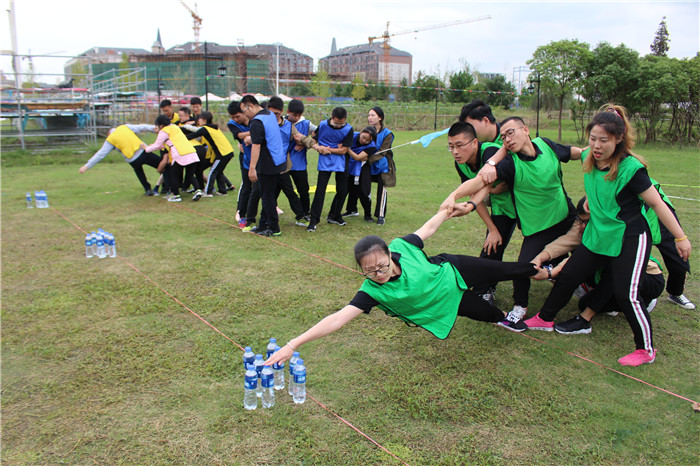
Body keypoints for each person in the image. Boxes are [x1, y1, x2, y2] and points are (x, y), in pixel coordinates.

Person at [264, 204, 547, 367]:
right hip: (445, 301)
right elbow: (337, 319)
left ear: (389, 254)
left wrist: (448, 210)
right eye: (370, 271)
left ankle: (544, 270)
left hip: (452, 269)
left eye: (382, 266)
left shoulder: (402, 245)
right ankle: (503, 318)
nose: (379, 273)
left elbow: (429, 228)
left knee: (506, 269)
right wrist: (293, 343)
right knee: (487, 314)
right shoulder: (371, 291)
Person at [524, 104, 691, 366]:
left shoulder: (631, 169)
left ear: (619, 139)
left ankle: (645, 350)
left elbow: (657, 204)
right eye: (593, 139)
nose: (597, 145)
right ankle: (544, 318)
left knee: (627, 294)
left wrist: (680, 238)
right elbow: (579, 167)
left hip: (630, 237)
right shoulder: (588, 156)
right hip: (599, 233)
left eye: (604, 140)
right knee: (569, 275)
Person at [442, 117, 583, 324]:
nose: (507, 139)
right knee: (522, 267)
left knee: (585, 260)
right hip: (535, 225)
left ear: (525, 130)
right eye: (503, 136)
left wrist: (592, 153)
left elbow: (572, 152)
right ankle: (518, 306)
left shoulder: (545, 144)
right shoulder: (509, 163)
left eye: (511, 133)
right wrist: (458, 198)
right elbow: (481, 184)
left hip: (566, 215)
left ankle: (589, 287)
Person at [530, 196, 665, 335]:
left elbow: (581, 258)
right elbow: (567, 242)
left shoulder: (611, 230)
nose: (582, 226)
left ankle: (585, 320)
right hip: (612, 275)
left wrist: (551, 272)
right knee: (584, 303)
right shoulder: (584, 225)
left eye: (587, 221)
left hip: (647, 278)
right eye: (580, 220)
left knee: (612, 273)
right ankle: (613, 300)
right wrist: (539, 258)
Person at [446, 121, 517, 306]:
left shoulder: (490, 152)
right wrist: (492, 229)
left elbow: (484, 185)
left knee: (550, 246)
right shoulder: (460, 164)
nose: (455, 151)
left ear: (475, 143)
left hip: (528, 205)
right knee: (491, 247)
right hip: (503, 209)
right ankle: (484, 291)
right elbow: (475, 193)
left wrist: (482, 194)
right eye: (451, 146)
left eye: (460, 145)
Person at [643, 179, 695, 310]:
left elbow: (658, 205)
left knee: (678, 262)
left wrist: (680, 238)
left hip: (662, 222)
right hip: (637, 224)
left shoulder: (643, 181)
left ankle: (676, 293)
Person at [241, 95, 287, 236]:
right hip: (277, 160)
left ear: (250, 106)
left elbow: (256, 146)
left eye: (244, 111)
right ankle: (262, 225)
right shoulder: (269, 114)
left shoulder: (256, 121)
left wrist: (252, 168)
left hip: (268, 162)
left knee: (267, 196)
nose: (245, 115)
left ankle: (274, 228)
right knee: (266, 194)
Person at [78, 124, 161, 196]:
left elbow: (100, 154)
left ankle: (148, 189)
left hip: (132, 160)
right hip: (143, 151)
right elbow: (141, 127)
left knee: (139, 172)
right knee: (162, 165)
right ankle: (166, 186)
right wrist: (154, 128)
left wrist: (87, 166)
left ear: (108, 134)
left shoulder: (110, 140)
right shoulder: (124, 127)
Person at [306, 107, 354, 231]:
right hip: (325, 162)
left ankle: (335, 215)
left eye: (341, 123)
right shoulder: (322, 125)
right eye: (337, 123)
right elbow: (314, 139)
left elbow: (344, 150)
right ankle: (313, 220)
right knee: (320, 191)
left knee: (342, 190)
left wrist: (328, 149)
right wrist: (318, 147)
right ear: (332, 117)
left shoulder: (348, 129)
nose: (339, 126)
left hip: (341, 162)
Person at [141, 115, 202, 202]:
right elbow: (166, 144)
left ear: (161, 125)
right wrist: (153, 146)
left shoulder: (163, 131)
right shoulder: (174, 127)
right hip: (191, 151)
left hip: (179, 154)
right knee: (190, 175)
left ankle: (176, 195)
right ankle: (198, 190)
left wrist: (146, 148)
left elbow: (157, 145)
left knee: (174, 175)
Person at [267, 96, 307, 226]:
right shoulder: (265, 123)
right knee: (266, 193)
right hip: (267, 166)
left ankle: (301, 215)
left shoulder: (290, 126)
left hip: (283, 166)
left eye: (277, 113)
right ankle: (258, 218)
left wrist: (312, 144)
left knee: (290, 191)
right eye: (272, 113)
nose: (274, 116)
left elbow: (300, 137)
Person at [333, 126, 378, 222]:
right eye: (363, 137)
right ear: (361, 132)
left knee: (364, 191)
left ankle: (368, 214)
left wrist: (346, 148)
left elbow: (357, 157)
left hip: (363, 167)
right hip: (349, 166)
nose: (363, 140)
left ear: (371, 140)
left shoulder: (371, 146)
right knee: (349, 188)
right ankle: (351, 210)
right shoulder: (352, 136)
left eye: (367, 139)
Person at [185, 111, 235, 197]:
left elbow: (194, 135)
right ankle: (223, 191)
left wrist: (182, 138)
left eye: (199, 119)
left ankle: (208, 192)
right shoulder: (213, 128)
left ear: (204, 120)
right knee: (218, 171)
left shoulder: (205, 129)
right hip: (227, 152)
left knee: (213, 171)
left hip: (223, 153)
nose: (198, 121)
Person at [287, 99, 316, 220]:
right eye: (294, 115)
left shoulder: (307, 124)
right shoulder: (281, 122)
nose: (297, 117)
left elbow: (319, 133)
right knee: (278, 190)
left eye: (299, 115)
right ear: (288, 112)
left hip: (299, 164)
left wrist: (305, 143)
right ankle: (271, 211)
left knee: (303, 190)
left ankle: (305, 212)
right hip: (283, 163)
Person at [366, 106, 394, 225]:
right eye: (369, 115)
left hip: (382, 166)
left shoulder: (388, 134)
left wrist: (367, 158)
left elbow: (383, 151)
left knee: (382, 191)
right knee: (363, 189)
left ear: (380, 118)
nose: (370, 118)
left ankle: (380, 215)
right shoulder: (366, 131)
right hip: (367, 166)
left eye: (373, 115)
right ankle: (365, 214)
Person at [227, 101, 253, 227]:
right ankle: (241, 213)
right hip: (246, 158)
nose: (235, 119)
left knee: (263, 188)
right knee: (247, 186)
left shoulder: (254, 119)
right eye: (233, 117)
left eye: (237, 116)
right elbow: (240, 135)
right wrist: (256, 131)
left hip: (262, 158)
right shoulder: (232, 124)